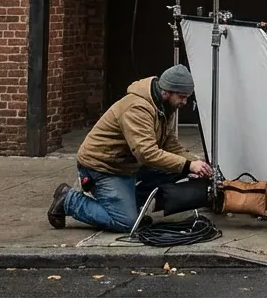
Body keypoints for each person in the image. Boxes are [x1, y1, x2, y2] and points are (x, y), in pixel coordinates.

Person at [46, 64, 213, 231]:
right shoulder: (138, 108)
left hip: (126, 165)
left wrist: (198, 163)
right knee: (127, 222)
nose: (184, 102)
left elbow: (170, 145)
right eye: (182, 97)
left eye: (187, 97)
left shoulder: (165, 107)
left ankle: (130, 204)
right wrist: (188, 165)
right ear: (166, 91)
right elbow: (146, 154)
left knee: (179, 168)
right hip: (103, 167)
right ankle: (69, 200)